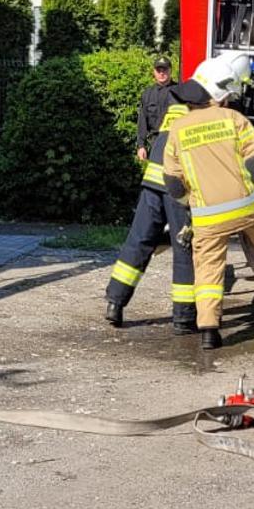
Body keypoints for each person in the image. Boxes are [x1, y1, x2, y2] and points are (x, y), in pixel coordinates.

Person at [161, 52, 254, 350]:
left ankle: (209, 330)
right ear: (222, 94)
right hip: (248, 208)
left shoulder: (177, 129)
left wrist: (192, 203)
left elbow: (172, 182)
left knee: (209, 270)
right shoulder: (235, 120)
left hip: (208, 218)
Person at [103, 81, 201, 334]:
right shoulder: (203, 117)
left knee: (139, 241)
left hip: (152, 183)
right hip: (177, 189)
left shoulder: (173, 112)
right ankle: (183, 318)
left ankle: (115, 302)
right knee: (183, 248)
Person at [136, 57, 175, 161]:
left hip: (174, 142)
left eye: (165, 70)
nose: (161, 73)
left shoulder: (179, 91)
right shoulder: (147, 94)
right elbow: (142, 121)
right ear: (154, 72)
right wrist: (141, 146)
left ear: (170, 70)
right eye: (158, 70)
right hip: (155, 142)